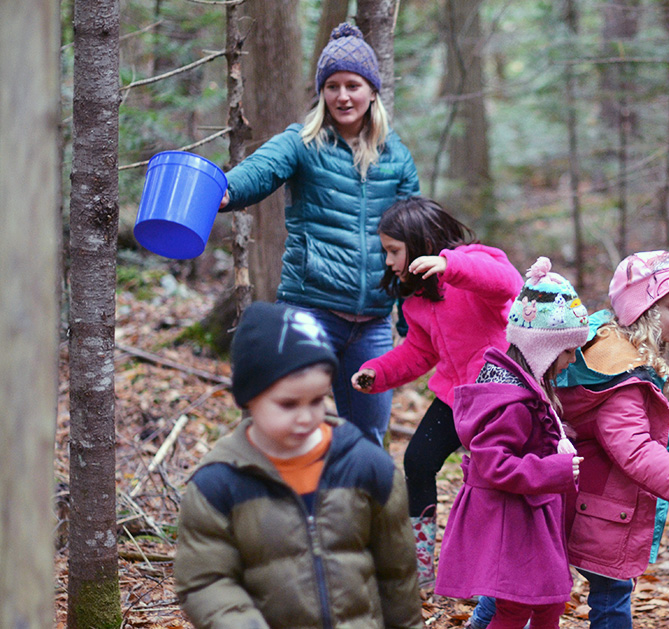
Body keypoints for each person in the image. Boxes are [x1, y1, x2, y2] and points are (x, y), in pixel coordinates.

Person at [218, 22, 420, 444]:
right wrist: (223, 191)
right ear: (321, 93)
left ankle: (356, 510)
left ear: (372, 90)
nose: (342, 96)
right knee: (284, 428)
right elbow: (260, 171)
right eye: (332, 86)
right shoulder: (302, 143)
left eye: (352, 85)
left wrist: (414, 312)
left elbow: (415, 240)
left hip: (374, 325)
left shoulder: (397, 158)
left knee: (367, 438)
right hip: (311, 311)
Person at [174, 302, 422, 628]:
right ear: (249, 397)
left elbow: (397, 575)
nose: (306, 417)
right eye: (288, 404)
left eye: (317, 400)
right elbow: (204, 580)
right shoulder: (219, 484)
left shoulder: (367, 467)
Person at [556, 251, 669, 628]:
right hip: (604, 510)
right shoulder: (623, 380)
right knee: (610, 601)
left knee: (530, 589)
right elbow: (638, 453)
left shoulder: (603, 346)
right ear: (642, 311)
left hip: (589, 501)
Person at [350, 196, 523, 587]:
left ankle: (498, 567)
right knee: (418, 460)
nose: (390, 262)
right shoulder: (416, 303)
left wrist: (451, 265)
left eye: (394, 251)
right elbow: (419, 353)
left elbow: (507, 284)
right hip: (454, 397)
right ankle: (421, 561)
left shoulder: (476, 262)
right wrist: (375, 373)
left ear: (421, 243)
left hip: (500, 395)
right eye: (386, 252)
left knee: (494, 478)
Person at [434, 257, 589, 629]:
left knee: (550, 602)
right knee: (518, 607)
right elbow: (494, 463)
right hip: (510, 520)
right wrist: (554, 468)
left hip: (531, 515)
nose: (572, 360)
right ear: (542, 350)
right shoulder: (512, 402)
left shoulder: (533, 388)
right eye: (567, 351)